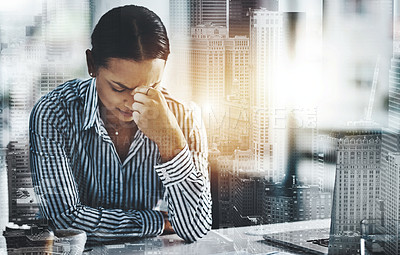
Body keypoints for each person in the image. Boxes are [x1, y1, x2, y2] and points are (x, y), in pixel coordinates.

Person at [29, 5, 212, 243]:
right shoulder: (54, 113)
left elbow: (195, 228)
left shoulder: (184, 117)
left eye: (150, 88)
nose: (133, 102)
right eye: (119, 88)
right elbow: (64, 220)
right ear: (91, 64)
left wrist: (171, 141)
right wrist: (159, 222)